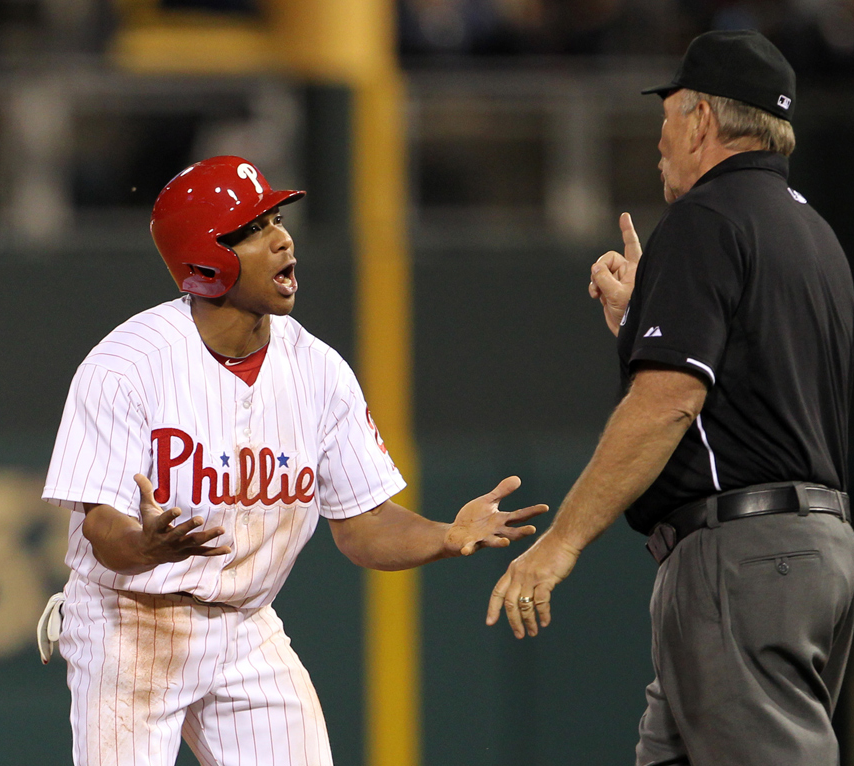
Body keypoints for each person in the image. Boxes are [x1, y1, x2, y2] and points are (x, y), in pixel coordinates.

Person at [37, 155, 546, 766]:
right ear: (205, 258)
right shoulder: (126, 365)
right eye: (254, 228)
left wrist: (445, 535)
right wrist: (145, 547)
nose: (282, 238)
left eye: (277, 219)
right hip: (128, 622)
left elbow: (363, 526)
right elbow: (103, 531)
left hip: (245, 624)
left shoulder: (318, 371)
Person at [486, 30, 854, 765]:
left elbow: (668, 402)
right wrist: (641, 322)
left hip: (744, 558)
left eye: (669, 112)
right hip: (810, 551)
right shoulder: (811, 233)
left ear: (702, 121)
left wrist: (559, 545)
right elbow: (748, 388)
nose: (659, 134)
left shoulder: (707, 218)